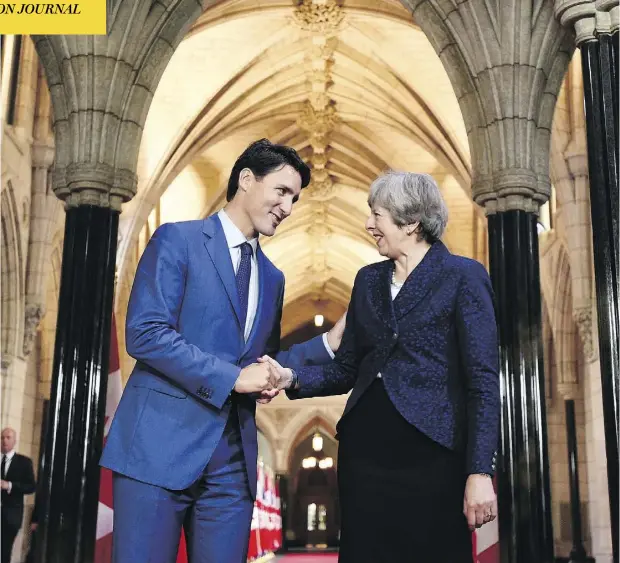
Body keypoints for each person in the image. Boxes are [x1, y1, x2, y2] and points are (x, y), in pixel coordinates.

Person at [100, 139, 345, 563]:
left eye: (295, 199)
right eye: (282, 192)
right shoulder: (178, 239)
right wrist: (232, 378)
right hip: (159, 446)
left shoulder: (273, 277)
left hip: (232, 462)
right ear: (246, 179)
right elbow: (145, 333)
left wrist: (329, 344)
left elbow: (258, 365)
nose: (288, 207)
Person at [264, 171, 500, 563]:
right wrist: (291, 376)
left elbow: (482, 383)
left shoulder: (463, 277)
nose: (369, 225)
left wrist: (479, 471)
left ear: (411, 222)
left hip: (433, 455)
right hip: (365, 453)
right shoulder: (368, 280)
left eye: (378, 215)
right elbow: (346, 369)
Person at [1, 428, 36, 563]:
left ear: (14, 441)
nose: (4, 441)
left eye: (8, 437)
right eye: (2, 437)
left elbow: (31, 487)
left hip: (10, 516)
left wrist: (9, 485)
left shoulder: (24, 462)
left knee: (4, 551)